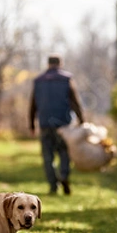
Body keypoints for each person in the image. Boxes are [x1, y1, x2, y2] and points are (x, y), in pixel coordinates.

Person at [29, 55, 84, 195]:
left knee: (48, 156)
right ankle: (64, 176)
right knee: (64, 153)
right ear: (60, 64)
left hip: (45, 123)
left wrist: (31, 125)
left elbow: (33, 104)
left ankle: (53, 186)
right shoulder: (66, 79)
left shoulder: (38, 81)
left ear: (48, 64)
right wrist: (81, 120)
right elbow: (75, 101)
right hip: (64, 124)